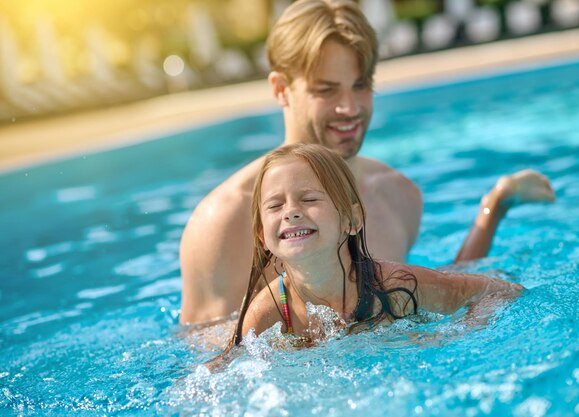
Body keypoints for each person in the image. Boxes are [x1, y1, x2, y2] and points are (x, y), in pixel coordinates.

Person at [179, 0, 554, 324]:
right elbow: (209, 357)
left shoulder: (397, 195)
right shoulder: (225, 220)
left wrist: (492, 211)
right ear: (280, 89)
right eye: (326, 90)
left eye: (361, 85)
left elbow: (433, 294)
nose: (350, 108)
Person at [220, 144, 528, 353]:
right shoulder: (269, 312)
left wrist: (454, 336)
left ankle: (494, 208)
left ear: (351, 219)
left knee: (460, 271)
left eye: (310, 199)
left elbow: (497, 291)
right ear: (261, 235)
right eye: (275, 205)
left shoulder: (396, 285)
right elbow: (226, 367)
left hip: (423, 294)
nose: (291, 212)